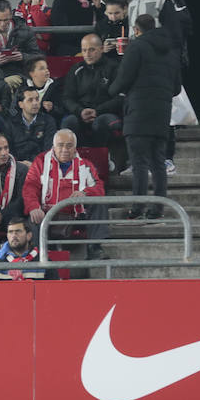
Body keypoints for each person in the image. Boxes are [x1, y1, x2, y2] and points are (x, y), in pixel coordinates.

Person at [108, 14, 178, 219]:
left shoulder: (136, 47)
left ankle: (137, 207)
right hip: (162, 115)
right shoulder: (171, 51)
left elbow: (123, 80)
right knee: (158, 162)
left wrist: (111, 90)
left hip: (138, 114)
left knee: (139, 163)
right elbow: (176, 87)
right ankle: (157, 208)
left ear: (136, 30)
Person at [22, 129, 106, 258]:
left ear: (75, 148)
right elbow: (30, 187)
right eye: (60, 145)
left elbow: (99, 188)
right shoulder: (41, 162)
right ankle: (37, 257)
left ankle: (95, 248)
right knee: (33, 218)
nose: (65, 150)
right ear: (53, 147)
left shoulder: (85, 165)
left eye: (69, 146)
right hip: (47, 214)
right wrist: (33, 206)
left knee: (98, 204)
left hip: (76, 215)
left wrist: (85, 193)